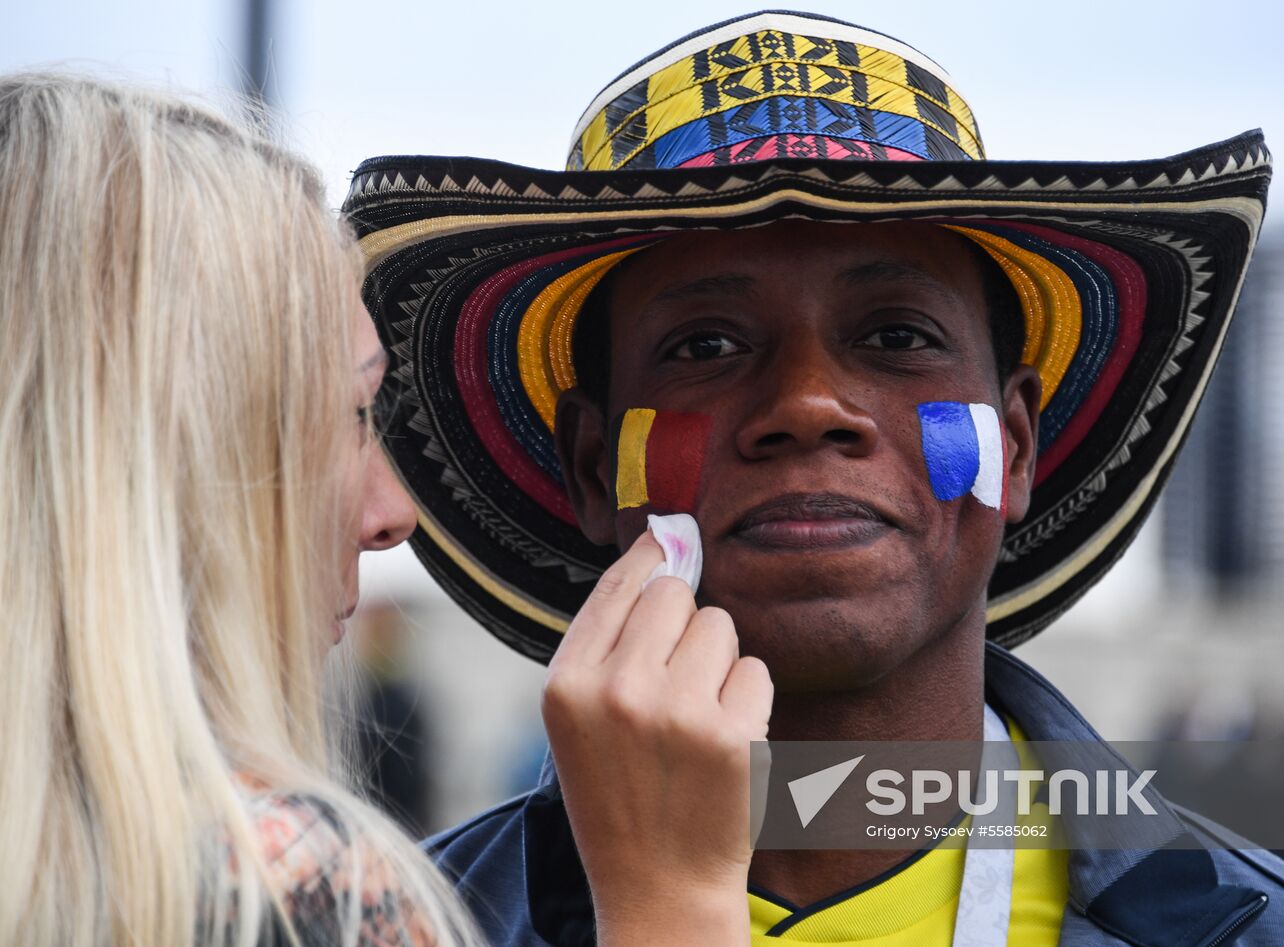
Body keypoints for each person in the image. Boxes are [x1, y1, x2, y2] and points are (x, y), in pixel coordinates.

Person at [344, 10, 1284, 947]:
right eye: (705, 345)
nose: (809, 403)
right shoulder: (379, 929)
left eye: (897, 335)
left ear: (1015, 448)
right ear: (591, 465)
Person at [0, 73, 766, 947]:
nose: (393, 515)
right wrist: (670, 904)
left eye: (886, 337)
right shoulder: (304, 891)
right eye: (350, 413)